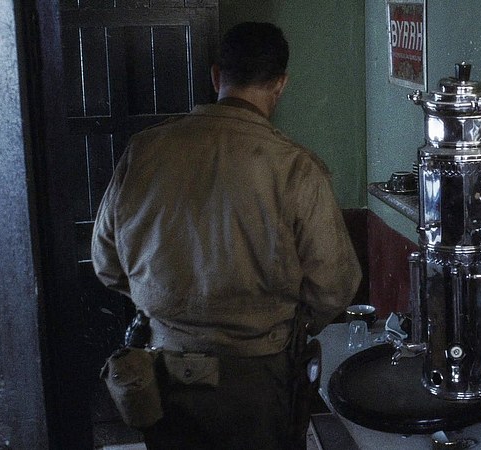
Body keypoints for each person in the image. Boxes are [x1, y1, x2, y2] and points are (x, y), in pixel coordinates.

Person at [92, 22, 361, 449]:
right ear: (281, 83)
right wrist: (287, 324)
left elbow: (107, 265)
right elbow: (335, 286)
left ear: (217, 76)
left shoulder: (143, 151)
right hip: (259, 377)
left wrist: (168, 309)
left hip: (163, 374)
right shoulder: (295, 168)